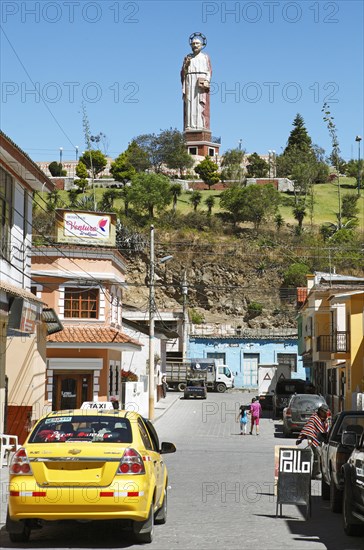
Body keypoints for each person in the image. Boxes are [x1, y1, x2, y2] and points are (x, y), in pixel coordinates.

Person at [181, 33, 212, 131]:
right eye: (193, 44)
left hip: (200, 82)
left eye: (197, 43)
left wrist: (207, 80)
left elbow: (209, 71)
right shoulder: (188, 57)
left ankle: (200, 125)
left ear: (202, 45)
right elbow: (183, 72)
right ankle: (190, 125)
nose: (195, 45)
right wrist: (186, 66)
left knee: (200, 104)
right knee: (190, 103)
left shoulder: (205, 57)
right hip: (190, 81)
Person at [296, 403, 330, 479]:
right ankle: (316, 473)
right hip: (314, 439)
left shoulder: (326, 418)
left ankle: (320, 472)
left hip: (322, 440)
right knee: (317, 454)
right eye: (323, 411)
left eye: (325, 412)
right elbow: (309, 428)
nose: (324, 413)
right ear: (320, 410)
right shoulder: (314, 418)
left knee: (322, 455)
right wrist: (309, 439)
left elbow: (326, 429)